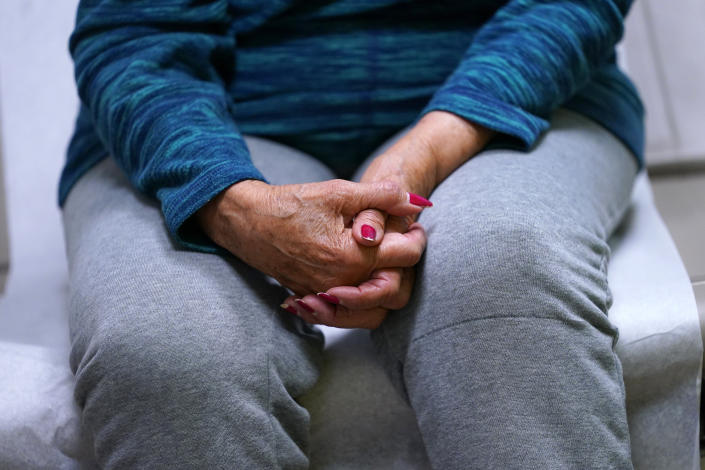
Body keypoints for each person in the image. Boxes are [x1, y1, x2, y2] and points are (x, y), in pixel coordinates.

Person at [60, 0, 643, 468]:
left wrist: (430, 148)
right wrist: (227, 202)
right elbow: (132, 34)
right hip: (200, 120)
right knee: (164, 345)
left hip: (514, 97)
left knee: (500, 276)